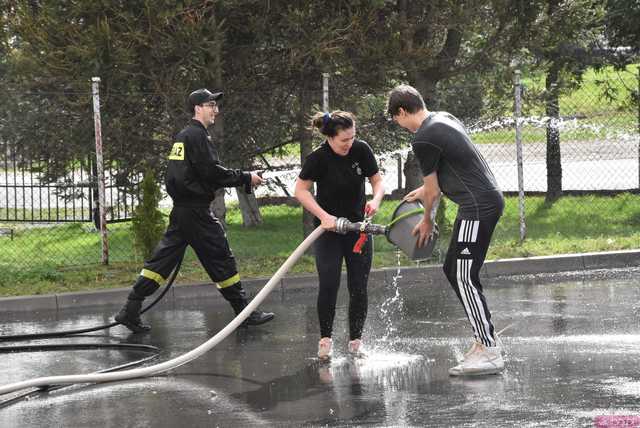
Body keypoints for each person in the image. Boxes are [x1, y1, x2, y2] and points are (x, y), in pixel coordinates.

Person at [114, 88, 274, 333]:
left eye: (216, 106)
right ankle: (244, 312)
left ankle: (130, 309)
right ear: (198, 108)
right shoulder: (197, 136)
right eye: (211, 105)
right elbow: (211, 171)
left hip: (183, 211)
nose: (216, 110)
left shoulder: (184, 136)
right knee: (220, 256)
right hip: (196, 211)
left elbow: (178, 176)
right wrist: (245, 177)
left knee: (162, 261)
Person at [387, 84, 505, 376]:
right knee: (453, 269)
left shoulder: (424, 138)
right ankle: (484, 339)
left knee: (464, 275)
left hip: (477, 207)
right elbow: (447, 173)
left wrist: (426, 219)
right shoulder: (444, 118)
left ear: (402, 112)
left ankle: (489, 350)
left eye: (396, 119)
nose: (399, 125)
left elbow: (434, 193)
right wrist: (423, 190)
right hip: (481, 202)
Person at [294, 111, 385, 360]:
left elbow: (377, 181)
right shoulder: (318, 158)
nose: (350, 144)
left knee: (359, 286)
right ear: (330, 138)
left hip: (358, 229)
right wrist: (324, 217)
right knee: (329, 283)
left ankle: (356, 342)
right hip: (329, 231)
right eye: (344, 140)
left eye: (353, 137)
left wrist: (376, 200)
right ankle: (325, 341)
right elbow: (300, 191)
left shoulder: (361, 150)